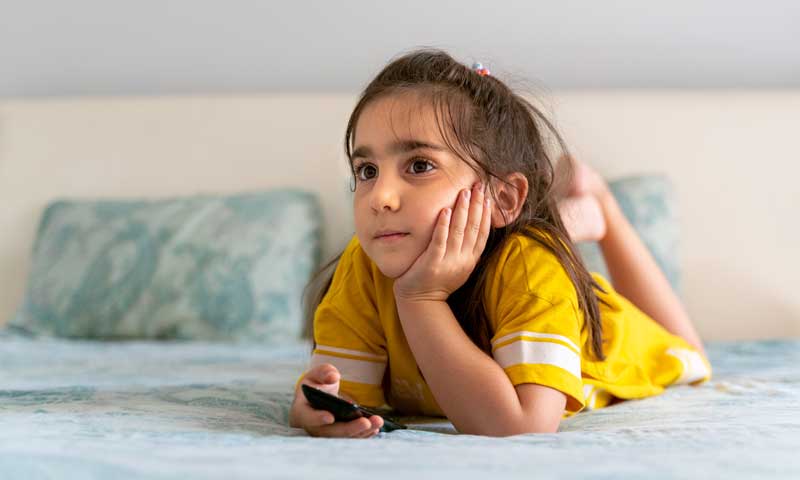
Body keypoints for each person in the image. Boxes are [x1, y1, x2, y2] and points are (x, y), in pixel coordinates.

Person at [288, 49, 711, 438]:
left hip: (604, 332)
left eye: (419, 165)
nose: (380, 197)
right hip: (517, 264)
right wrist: (317, 409)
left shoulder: (533, 268)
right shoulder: (363, 264)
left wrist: (421, 299)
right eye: (366, 171)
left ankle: (603, 207)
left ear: (504, 197)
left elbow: (522, 426)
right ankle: (572, 211)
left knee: (689, 354)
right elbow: (343, 397)